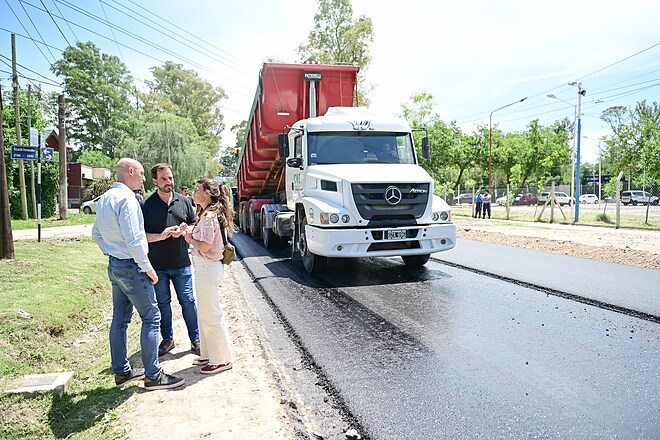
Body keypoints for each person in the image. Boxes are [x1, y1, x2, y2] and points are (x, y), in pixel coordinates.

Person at [91, 158, 185, 390]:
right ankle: (153, 375)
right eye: (142, 174)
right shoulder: (128, 200)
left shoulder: (104, 199)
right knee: (152, 317)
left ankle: (122, 372)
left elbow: (96, 234)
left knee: (120, 320)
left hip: (115, 266)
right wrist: (148, 268)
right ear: (130, 172)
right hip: (133, 266)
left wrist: (111, 252)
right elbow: (135, 240)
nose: (144, 179)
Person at [142, 164, 200, 357]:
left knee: (189, 301)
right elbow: (141, 236)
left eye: (170, 178)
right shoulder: (146, 205)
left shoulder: (183, 201)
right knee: (163, 304)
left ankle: (196, 339)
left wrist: (185, 231)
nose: (169, 182)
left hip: (181, 263)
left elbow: (194, 224)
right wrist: (162, 235)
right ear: (155, 181)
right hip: (157, 266)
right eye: (164, 179)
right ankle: (168, 340)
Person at [181, 178, 234, 374]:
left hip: (208, 268)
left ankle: (221, 360)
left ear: (207, 194)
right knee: (204, 314)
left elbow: (205, 245)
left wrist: (188, 238)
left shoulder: (210, 216)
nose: (193, 193)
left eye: (197, 190)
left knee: (211, 315)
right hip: (205, 268)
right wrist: (191, 231)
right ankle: (207, 354)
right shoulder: (206, 214)